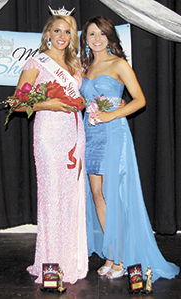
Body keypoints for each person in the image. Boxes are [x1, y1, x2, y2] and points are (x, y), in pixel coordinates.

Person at [80, 15, 179, 281]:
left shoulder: (119, 64)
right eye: (91, 34)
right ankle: (111, 254)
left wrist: (112, 114)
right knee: (97, 195)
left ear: (109, 37)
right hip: (90, 134)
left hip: (113, 133)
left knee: (114, 196)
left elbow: (140, 101)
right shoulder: (85, 67)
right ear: (85, 40)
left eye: (101, 33)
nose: (97, 39)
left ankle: (122, 257)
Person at [14, 12, 88, 284]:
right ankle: (50, 262)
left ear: (72, 37)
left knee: (71, 197)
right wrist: (48, 104)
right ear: (47, 34)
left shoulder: (77, 65)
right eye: (57, 31)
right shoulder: (36, 62)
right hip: (47, 133)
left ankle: (70, 259)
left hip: (73, 133)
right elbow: (16, 103)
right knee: (51, 196)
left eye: (67, 32)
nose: (62, 36)